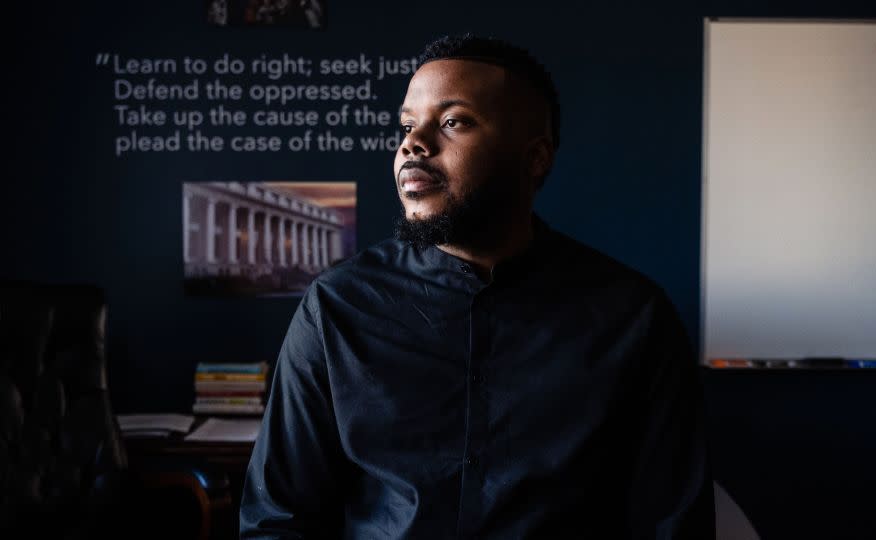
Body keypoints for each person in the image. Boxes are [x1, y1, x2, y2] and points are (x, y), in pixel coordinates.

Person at [240, 34, 714, 539]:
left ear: (535, 159)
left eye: (453, 122)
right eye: (406, 124)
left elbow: (673, 524)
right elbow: (277, 518)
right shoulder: (337, 306)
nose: (412, 144)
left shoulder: (633, 318)